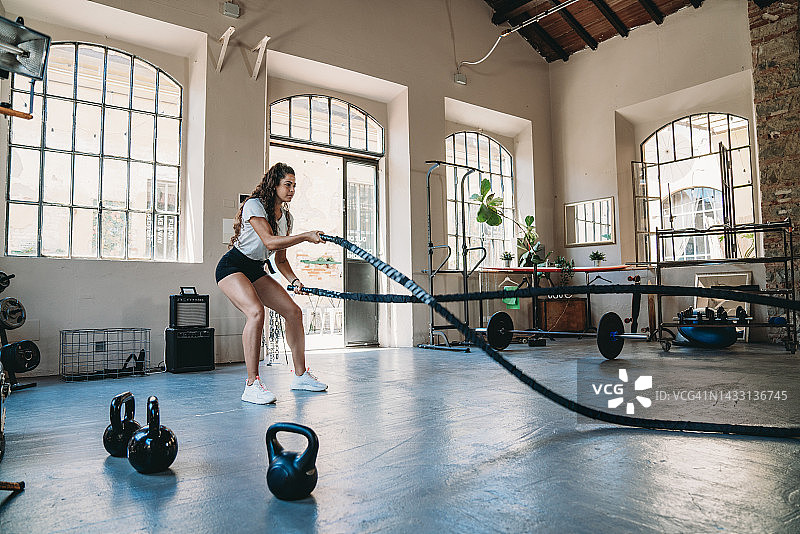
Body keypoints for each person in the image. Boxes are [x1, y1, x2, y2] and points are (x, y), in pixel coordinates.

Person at [216, 162, 328, 404]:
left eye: (294, 186)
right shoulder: (254, 205)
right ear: (274, 184)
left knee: (294, 312)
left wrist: (294, 279)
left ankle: (300, 376)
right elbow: (269, 241)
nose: (292, 190)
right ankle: (251, 384)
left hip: (256, 269)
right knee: (256, 313)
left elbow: (281, 259)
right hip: (232, 267)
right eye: (287, 184)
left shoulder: (287, 218)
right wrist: (306, 236)